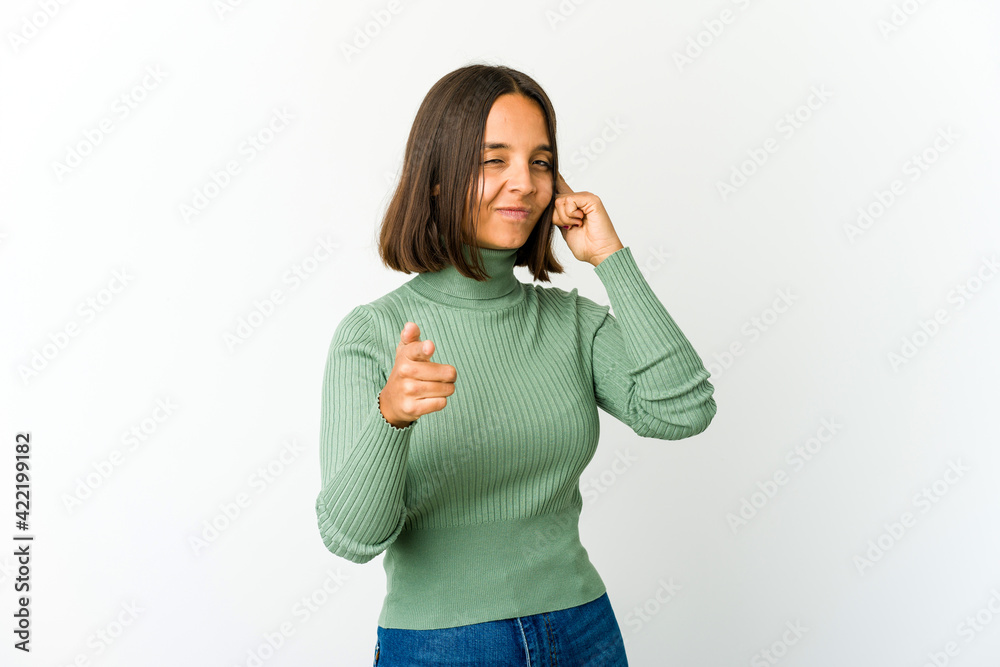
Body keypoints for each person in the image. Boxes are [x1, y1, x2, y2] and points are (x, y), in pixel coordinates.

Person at [314, 63, 717, 666]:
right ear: (437, 181)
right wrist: (390, 420)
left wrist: (610, 257)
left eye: (541, 162)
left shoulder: (571, 323)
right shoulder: (373, 336)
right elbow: (351, 538)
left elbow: (684, 410)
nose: (524, 183)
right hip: (446, 645)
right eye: (493, 160)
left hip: (585, 632)